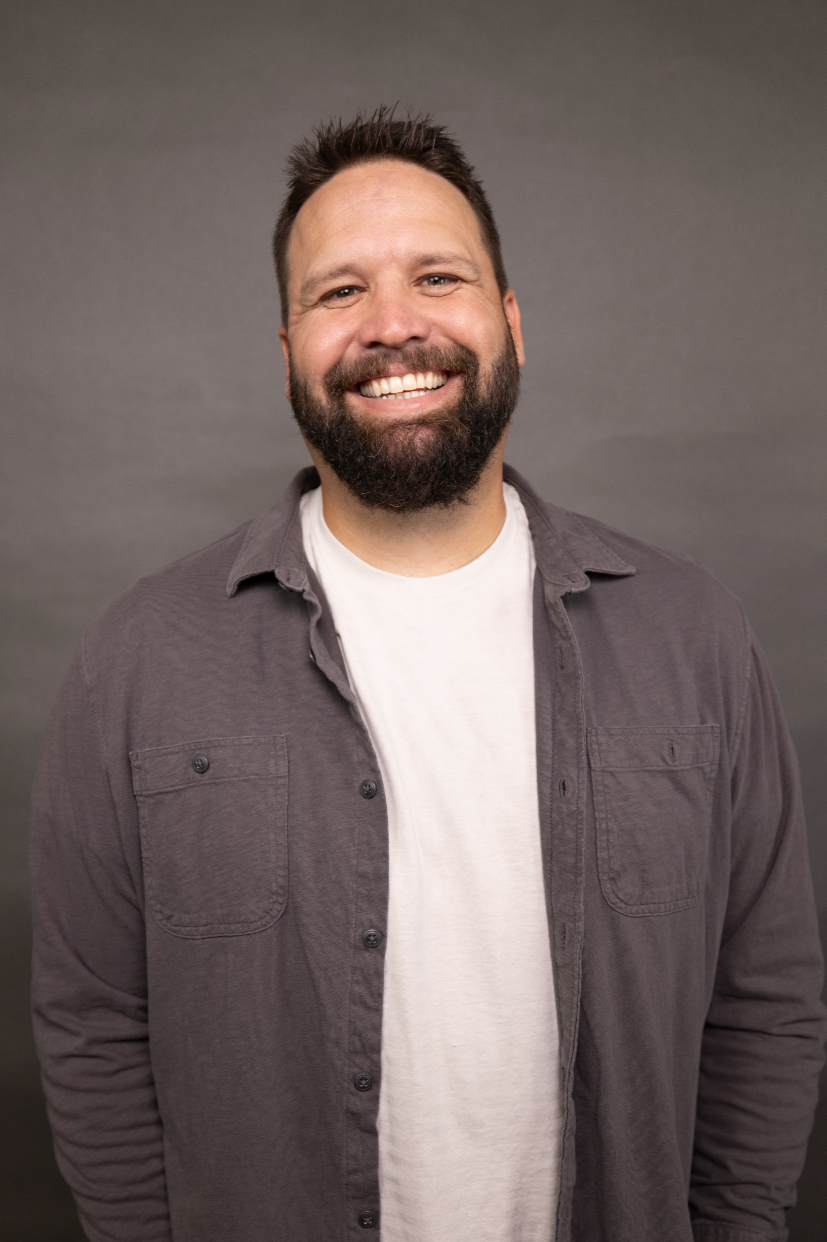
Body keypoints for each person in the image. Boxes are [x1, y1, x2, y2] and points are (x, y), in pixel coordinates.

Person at [31, 107, 825, 1242]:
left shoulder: (693, 635)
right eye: (338, 292)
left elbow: (765, 1002)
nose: (391, 326)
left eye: (437, 278)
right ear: (287, 349)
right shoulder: (137, 658)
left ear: (509, 321)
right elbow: (94, 1025)